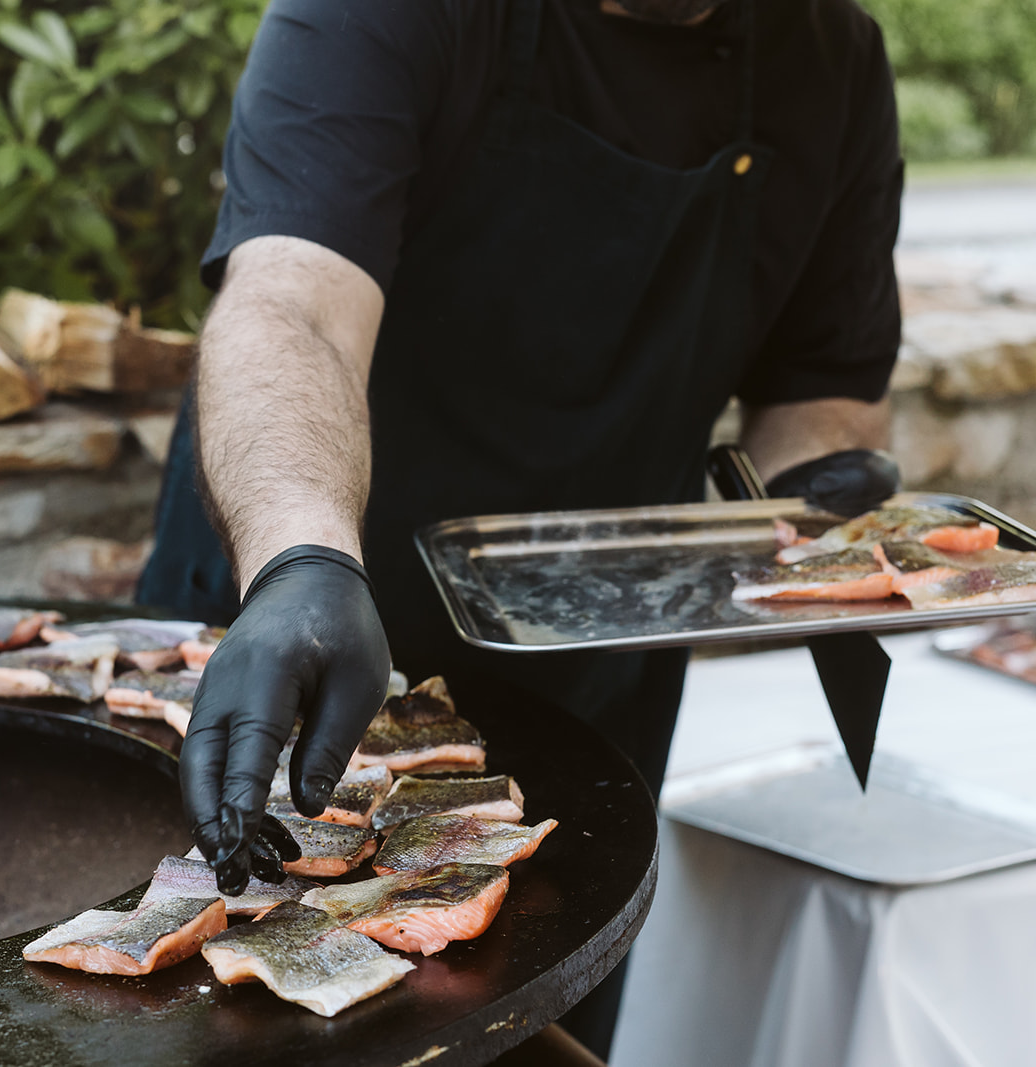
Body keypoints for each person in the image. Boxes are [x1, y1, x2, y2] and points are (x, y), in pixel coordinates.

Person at [136, 0, 904, 1053]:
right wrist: (301, 555)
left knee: (533, 1024)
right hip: (300, 624)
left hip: (584, 679)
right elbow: (292, 304)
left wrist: (824, 497)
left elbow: (826, 387)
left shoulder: (832, 56)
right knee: (232, 1032)